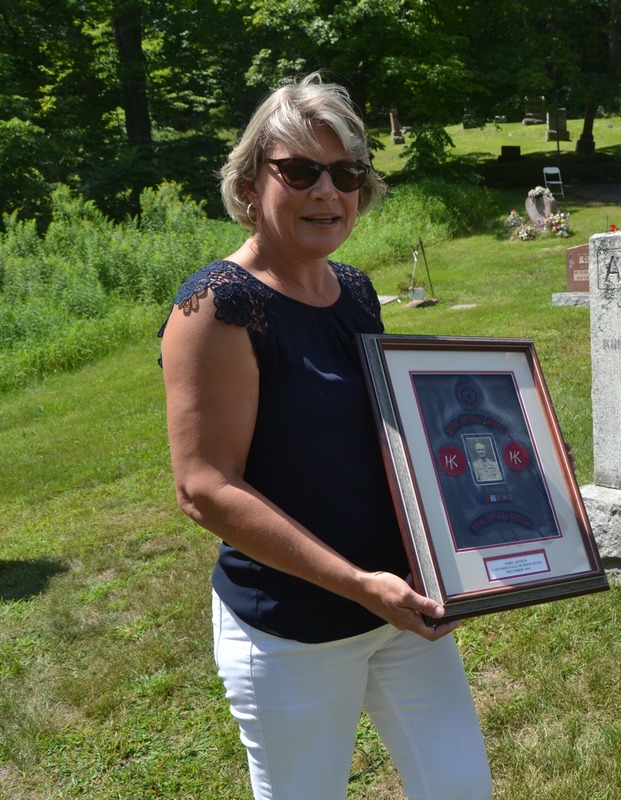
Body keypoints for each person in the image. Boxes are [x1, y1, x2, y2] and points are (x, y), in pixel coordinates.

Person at [159, 73, 492, 799]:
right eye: (300, 171)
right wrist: (356, 585)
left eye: (345, 174)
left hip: (403, 607)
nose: (326, 191)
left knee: (461, 788)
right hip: (291, 631)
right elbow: (205, 489)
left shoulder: (357, 290)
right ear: (251, 184)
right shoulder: (217, 307)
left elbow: (388, 433)